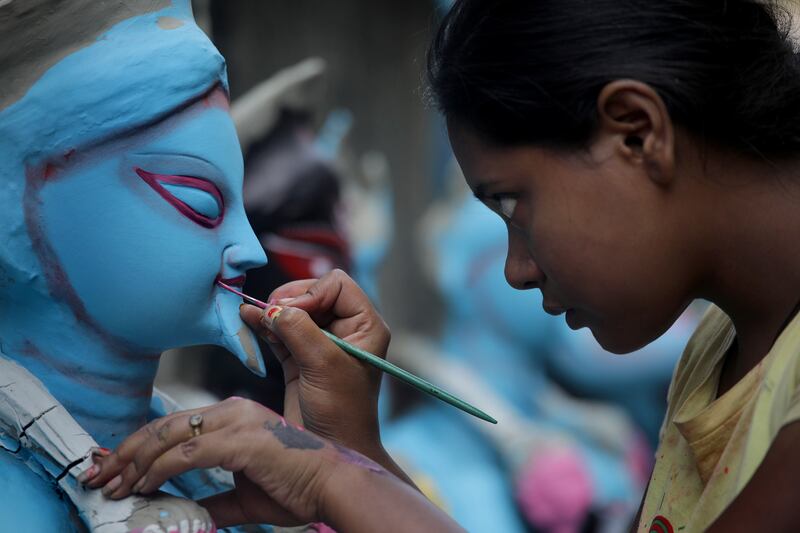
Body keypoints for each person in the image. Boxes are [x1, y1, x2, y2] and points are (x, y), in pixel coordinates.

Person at [84, 0, 800, 531]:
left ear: (638, 133)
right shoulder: (720, 353)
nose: (518, 268)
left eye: (513, 204)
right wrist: (354, 457)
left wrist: (331, 477)